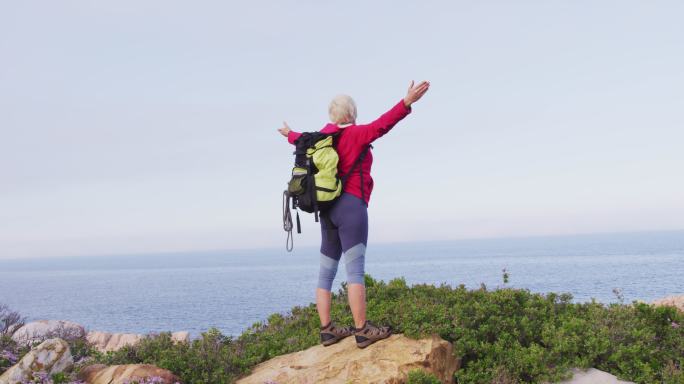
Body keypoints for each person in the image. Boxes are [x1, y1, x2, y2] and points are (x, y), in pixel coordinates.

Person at [277, 80, 430, 348]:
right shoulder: (357, 134)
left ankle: (327, 330)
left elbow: (300, 139)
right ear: (350, 114)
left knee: (326, 273)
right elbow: (383, 124)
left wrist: (289, 133)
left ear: (332, 115)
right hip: (351, 208)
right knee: (355, 271)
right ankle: (362, 331)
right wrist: (406, 102)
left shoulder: (320, 137)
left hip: (326, 210)